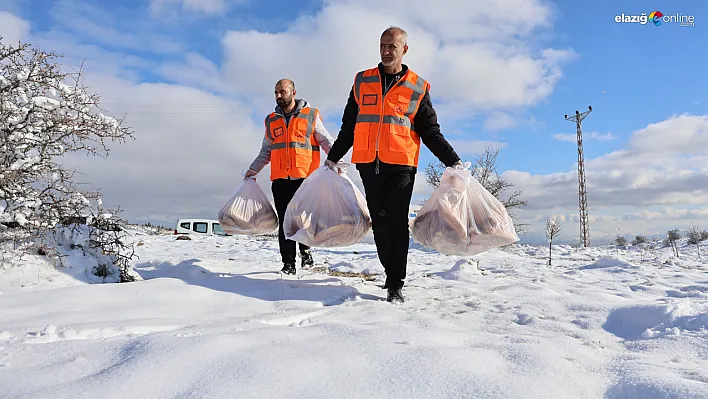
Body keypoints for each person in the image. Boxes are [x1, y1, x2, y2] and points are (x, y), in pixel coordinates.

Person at [325, 26, 463, 303]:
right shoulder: (362, 81)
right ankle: (390, 270)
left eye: (392, 47)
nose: (387, 51)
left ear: (404, 50)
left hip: (401, 164)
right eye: (383, 46)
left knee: (398, 222)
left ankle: (395, 283)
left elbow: (430, 131)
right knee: (380, 221)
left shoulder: (417, 86)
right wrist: (332, 156)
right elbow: (349, 126)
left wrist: (453, 160)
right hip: (367, 162)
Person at [245, 79, 335, 275]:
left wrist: (337, 160)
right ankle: (288, 264)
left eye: (282, 92)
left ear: (293, 92)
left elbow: (326, 140)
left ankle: (305, 250)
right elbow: (266, 151)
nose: (278, 96)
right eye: (276, 92)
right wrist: (253, 170)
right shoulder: (271, 120)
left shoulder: (311, 116)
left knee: (303, 220)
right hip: (280, 181)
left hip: (305, 180)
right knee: (285, 221)